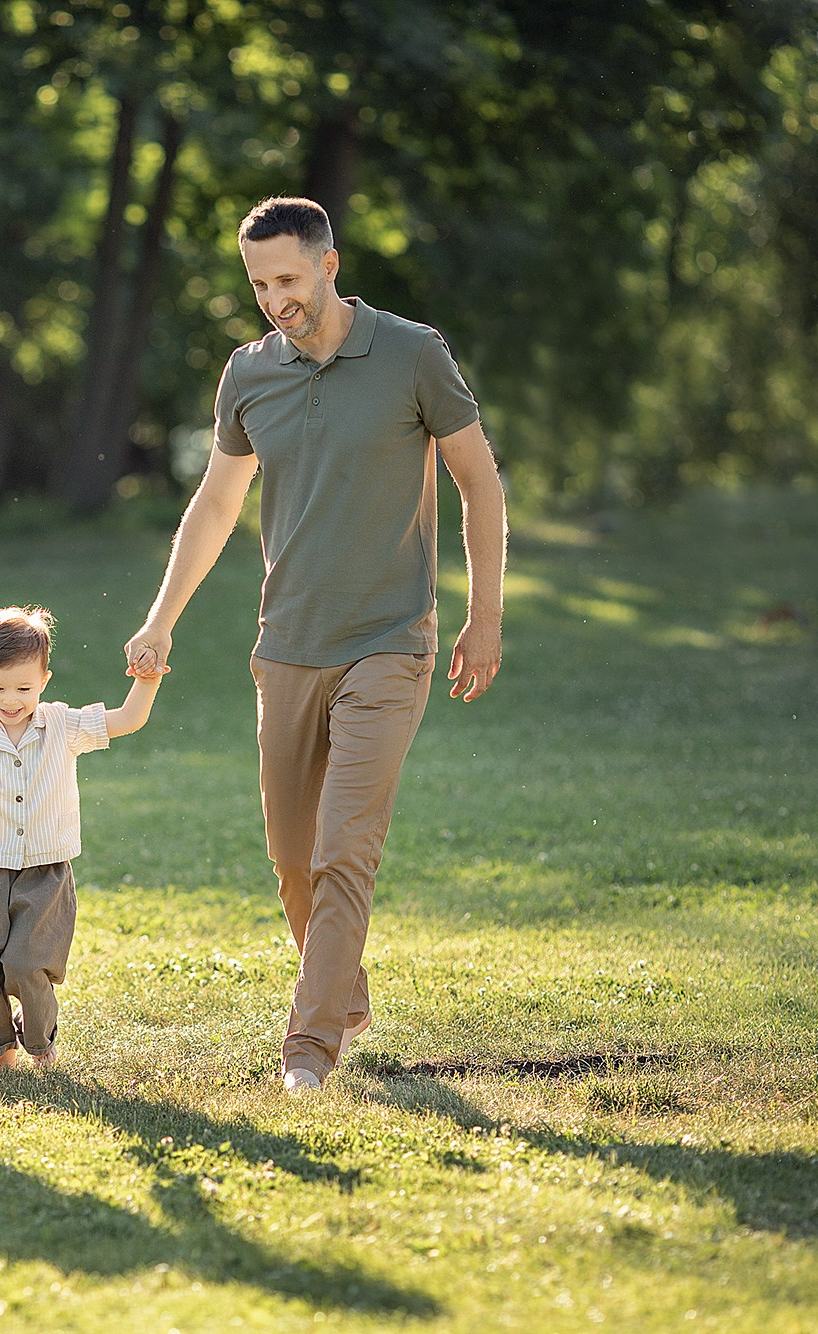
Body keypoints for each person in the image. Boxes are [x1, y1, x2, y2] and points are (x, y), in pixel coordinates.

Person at [124, 197, 506, 1094]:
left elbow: (479, 483)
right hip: (287, 644)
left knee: (344, 847)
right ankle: (344, 988)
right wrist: (161, 616)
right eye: (259, 285)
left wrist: (485, 616)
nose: (274, 299)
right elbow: (216, 503)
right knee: (293, 859)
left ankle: (309, 1047)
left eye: (288, 279)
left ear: (330, 265)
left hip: (390, 641)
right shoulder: (248, 373)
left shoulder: (412, 353)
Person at [0, 606, 163, 1076]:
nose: (11, 700)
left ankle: (39, 1040)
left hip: (44, 870)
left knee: (27, 963)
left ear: (44, 679)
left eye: (24, 688)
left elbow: (128, 719)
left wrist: (148, 679)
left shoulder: (62, 724)